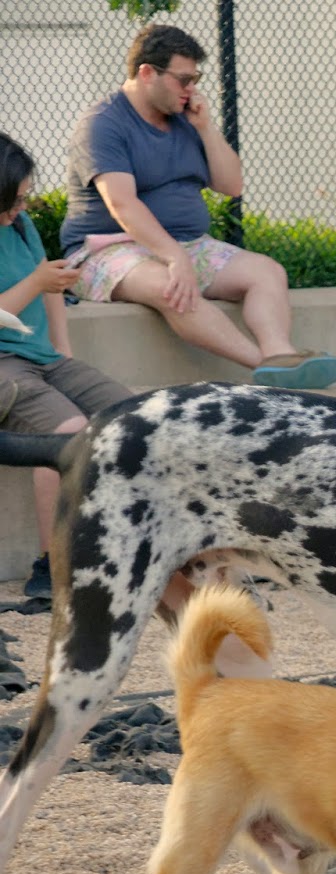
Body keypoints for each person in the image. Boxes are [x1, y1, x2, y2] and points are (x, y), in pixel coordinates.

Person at [60, 23, 336, 390]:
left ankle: (280, 354)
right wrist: (174, 258)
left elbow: (231, 185)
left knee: (266, 272)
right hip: (108, 249)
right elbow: (122, 205)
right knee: (171, 286)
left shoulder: (185, 119)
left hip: (188, 244)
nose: (192, 89)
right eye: (184, 79)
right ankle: (264, 365)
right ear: (147, 73)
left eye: (196, 78)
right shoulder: (103, 124)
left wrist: (206, 127)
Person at [0, 133, 136, 602]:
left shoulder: (20, 226)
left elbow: (51, 286)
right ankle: (51, 564)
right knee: (68, 433)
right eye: (14, 198)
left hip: (41, 356)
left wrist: (63, 349)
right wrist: (37, 280)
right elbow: (38, 283)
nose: (22, 205)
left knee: (137, 417)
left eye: (24, 196)